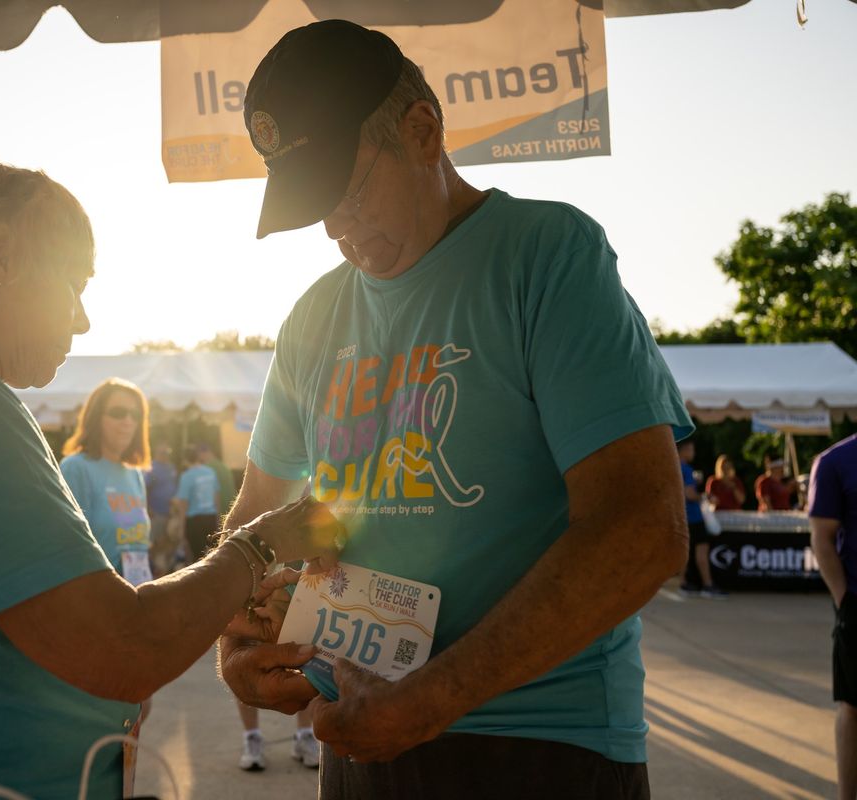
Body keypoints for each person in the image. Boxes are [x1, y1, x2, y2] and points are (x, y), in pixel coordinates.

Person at [217, 21, 691, 799]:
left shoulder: (547, 255)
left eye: (349, 187)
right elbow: (257, 514)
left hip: (541, 746)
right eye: (316, 206)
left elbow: (643, 530)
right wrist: (234, 647)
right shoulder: (313, 315)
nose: (337, 227)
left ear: (423, 129)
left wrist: (429, 702)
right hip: (362, 737)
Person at [0, 160, 341, 800]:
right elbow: (122, 648)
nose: (83, 319)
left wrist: (211, 598)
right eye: (74, 281)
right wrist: (262, 543)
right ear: (1, 255)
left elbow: (73, 614)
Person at [61, 378, 153, 586]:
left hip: (134, 594)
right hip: (96, 598)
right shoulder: (76, 468)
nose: (128, 421)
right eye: (118, 413)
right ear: (96, 418)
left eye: (135, 415)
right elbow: (70, 547)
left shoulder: (134, 473)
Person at [809, 433, 857, 800]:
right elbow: (822, 538)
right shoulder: (835, 461)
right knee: (853, 705)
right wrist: (844, 601)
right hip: (856, 603)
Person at [677, 441, 725, 598]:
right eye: (691, 449)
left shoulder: (674, 467)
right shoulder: (687, 469)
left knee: (687, 551)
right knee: (701, 550)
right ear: (683, 450)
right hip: (694, 516)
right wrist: (705, 497)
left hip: (682, 516)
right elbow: (689, 494)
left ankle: (683, 583)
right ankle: (708, 584)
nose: (693, 452)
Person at [172, 444, 221, 561]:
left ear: (185, 460)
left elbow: (183, 504)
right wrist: (218, 518)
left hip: (194, 522)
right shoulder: (210, 472)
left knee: (197, 559)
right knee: (212, 556)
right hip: (211, 518)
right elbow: (217, 496)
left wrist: (181, 528)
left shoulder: (186, 476)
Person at [145, 441, 180, 576]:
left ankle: (164, 571)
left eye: (167, 453)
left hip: (171, 513)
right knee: (155, 543)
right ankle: (153, 571)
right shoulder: (151, 468)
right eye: (163, 453)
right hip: (157, 512)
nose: (165, 455)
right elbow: (145, 489)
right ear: (156, 453)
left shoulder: (171, 467)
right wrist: (148, 509)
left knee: (169, 541)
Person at [199, 442, 238, 521]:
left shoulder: (206, 469)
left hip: (217, 510)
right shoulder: (224, 467)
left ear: (203, 453)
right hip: (231, 507)